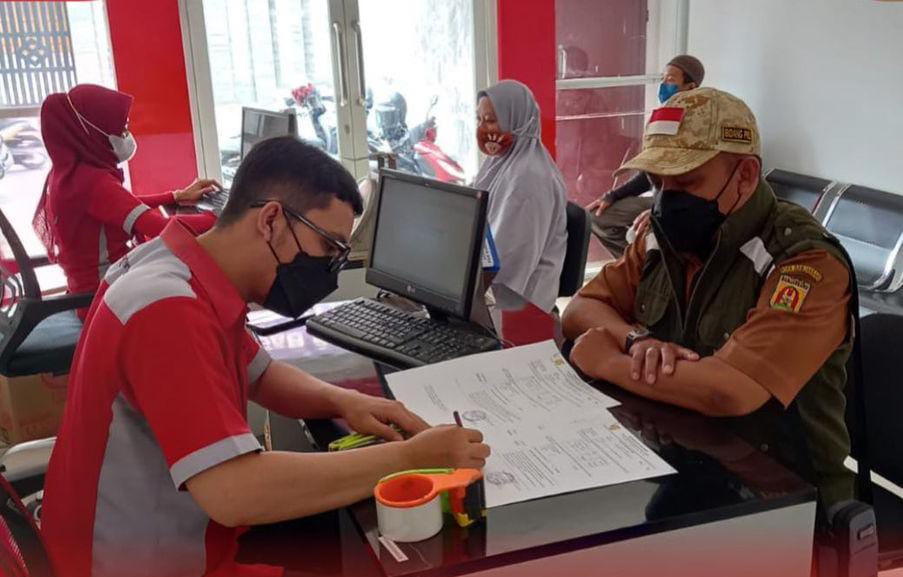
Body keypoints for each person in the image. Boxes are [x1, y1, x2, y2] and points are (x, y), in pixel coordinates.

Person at [40, 136, 490, 577]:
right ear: (271, 220)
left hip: (170, 541)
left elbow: (261, 374)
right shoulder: (166, 309)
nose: (330, 271)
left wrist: (348, 403)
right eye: (328, 248)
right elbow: (234, 491)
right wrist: (409, 458)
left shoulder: (179, 264)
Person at [563, 88, 855, 509]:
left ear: (746, 176)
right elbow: (580, 310)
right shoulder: (662, 237)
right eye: (658, 183)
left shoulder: (804, 262)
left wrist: (610, 362)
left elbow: (730, 391)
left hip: (783, 498)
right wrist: (637, 341)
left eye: (686, 182)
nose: (666, 201)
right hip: (686, 459)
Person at [33, 84, 219, 316]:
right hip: (106, 297)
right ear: (93, 132)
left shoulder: (67, 173)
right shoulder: (91, 181)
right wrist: (224, 215)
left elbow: (117, 205)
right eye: (121, 130)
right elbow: (162, 228)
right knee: (202, 285)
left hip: (89, 291)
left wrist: (176, 196)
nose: (127, 136)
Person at [587, 55, 705, 258]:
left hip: (685, 203)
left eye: (670, 80)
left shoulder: (700, 125)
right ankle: (637, 267)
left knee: (649, 230)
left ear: (690, 87)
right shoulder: (664, 117)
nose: (663, 85)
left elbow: (697, 183)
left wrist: (661, 212)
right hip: (658, 198)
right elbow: (650, 174)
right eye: (663, 79)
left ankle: (650, 267)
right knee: (596, 217)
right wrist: (612, 196)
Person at [474, 80, 567, 313]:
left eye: (491, 120)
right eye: (479, 119)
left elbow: (505, 268)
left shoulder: (529, 181)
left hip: (519, 307)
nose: (483, 129)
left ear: (517, 121)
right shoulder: (500, 162)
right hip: (493, 286)